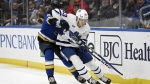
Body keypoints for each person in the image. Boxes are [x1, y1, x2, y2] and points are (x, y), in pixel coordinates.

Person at [56, 9, 111, 84]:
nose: (83, 22)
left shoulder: (86, 28)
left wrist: (83, 45)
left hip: (76, 46)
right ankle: (89, 79)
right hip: (65, 45)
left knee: (91, 62)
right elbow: (55, 14)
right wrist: (58, 23)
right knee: (76, 60)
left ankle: (101, 76)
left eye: (85, 20)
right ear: (77, 18)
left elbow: (83, 39)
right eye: (81, 20)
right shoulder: (69, 17)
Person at [37, 0, 87, 84]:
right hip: (44, 39)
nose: (62, 9)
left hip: (57, 42)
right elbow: (50, 20)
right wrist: (58, 22)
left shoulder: (65, 16)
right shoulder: (49, 13)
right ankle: (50, 77)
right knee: (49, 54)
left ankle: (76, 75)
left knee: (65, 58)